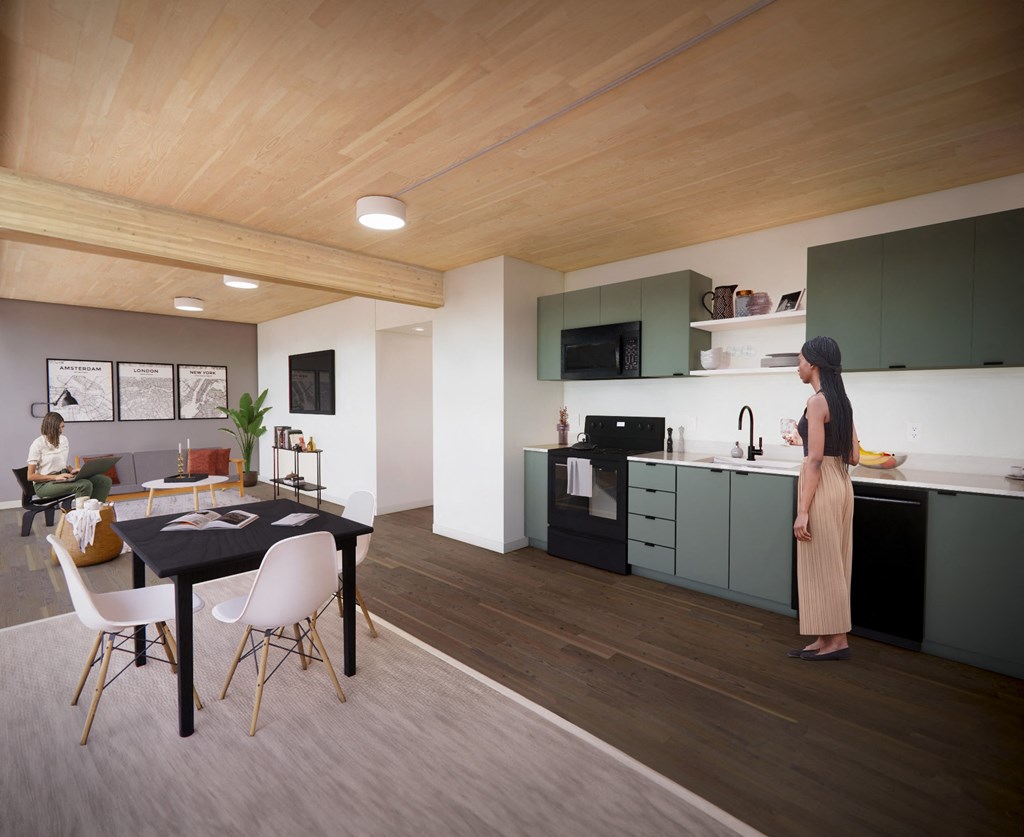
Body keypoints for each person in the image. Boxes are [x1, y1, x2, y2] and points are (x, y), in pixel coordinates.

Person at [784, 336, 859, 661]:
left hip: (822, 485)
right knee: (834, 563)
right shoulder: (842, 400)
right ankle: (826, 638)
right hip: (841, 482)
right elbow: (854, 456)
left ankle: (837, 642)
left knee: (822, 565)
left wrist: (802, 510)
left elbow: (815, 461)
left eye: (800, 360)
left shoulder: (816, 402)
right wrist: (804, 439)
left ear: (813, 363)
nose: (798, 367)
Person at [26, 412, 112, 503]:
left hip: (64, 476)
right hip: (44, 485)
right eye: (57, 428)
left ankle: (94, 509)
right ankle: (82, 512)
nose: (61, 431)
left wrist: (72, 470)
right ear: (49, 427)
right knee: (84, 485)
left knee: (104, 480)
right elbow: (31, 476)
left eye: (62, 427)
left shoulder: (64, 440)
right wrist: (55, 477)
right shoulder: (38, 444)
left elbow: (62, 463)